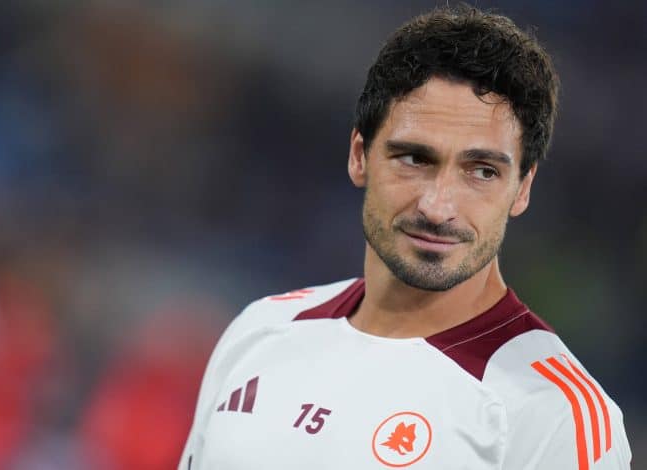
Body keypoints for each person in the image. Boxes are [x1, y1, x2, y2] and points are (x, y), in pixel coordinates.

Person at [178, 5, 631, 469]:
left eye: (482, 171)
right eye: (414, 159)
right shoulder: (260, 330)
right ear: (359, 155)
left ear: (523, 188)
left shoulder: (555, 418)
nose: (437, 206)